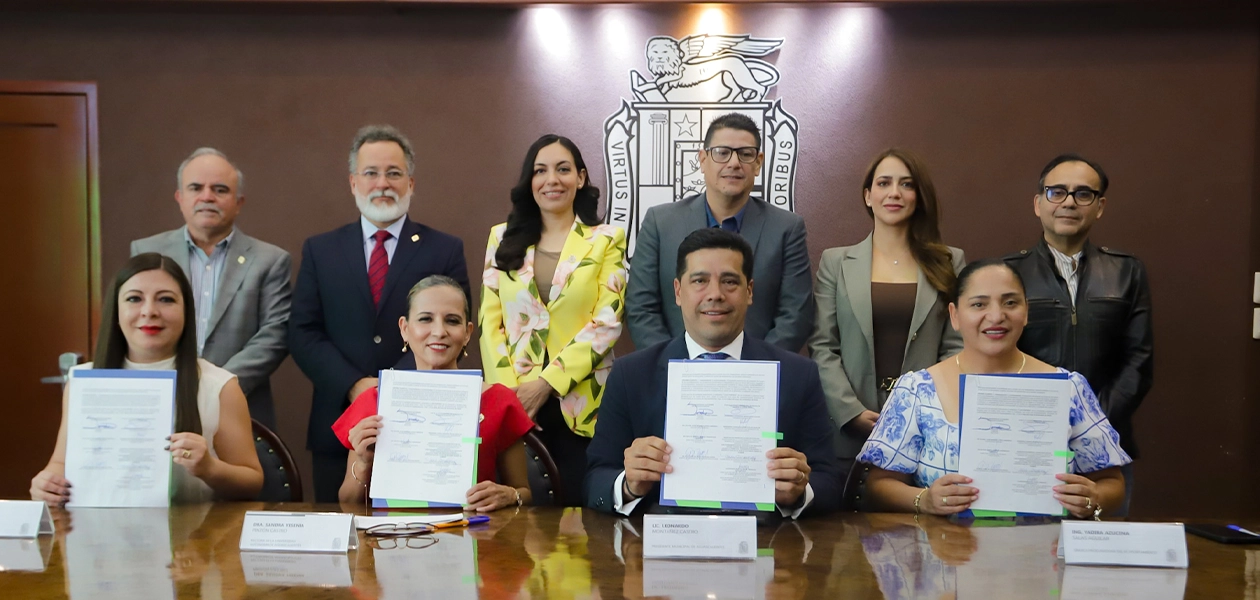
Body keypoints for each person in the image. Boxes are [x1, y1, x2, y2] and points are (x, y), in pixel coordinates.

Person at [586, 228, 841, 518]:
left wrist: (797, 492)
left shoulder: (798, 374)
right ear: (678, 292)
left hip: (767, 549)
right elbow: (595, 479)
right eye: (700, 281)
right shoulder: (631, 375)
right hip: (660, 547)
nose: (715, 294)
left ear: (750, 292)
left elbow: (829, 482)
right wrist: (629, 485)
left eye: (730, 281)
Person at [857, 259, 1130, 518]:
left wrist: (1094, 497)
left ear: (1026, 312)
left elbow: (1111, 482)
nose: (996, 316)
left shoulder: (1068, 388)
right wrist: (924, 500)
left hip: (1041, 554)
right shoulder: (917, 389)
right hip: (945, 554)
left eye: (1010, 302)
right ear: (955, 316)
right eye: (979, 305)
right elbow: (879, 484)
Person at [290, 125, 471, 502]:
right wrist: (356, 385)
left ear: (411, 182)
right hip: (337, 421)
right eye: (371, 173)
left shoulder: (444, 249)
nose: (382, 183)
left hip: (420, 426)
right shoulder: (321, 250)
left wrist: (394, 391)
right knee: (341, 544)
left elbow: (452, 332)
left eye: (394, 173)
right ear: (353, 182)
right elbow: (303, 333)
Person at [30, 253, 263, 505]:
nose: (149, 311)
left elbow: (252, 483)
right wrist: (47, 484)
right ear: (116, 311)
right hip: (98, 535)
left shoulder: (219, 386)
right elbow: (61, 463)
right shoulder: (83, 381)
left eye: (165, 299)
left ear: (186, 311)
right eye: (134, 299)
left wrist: (209, 467)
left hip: (194, 539)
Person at [479, 134, 627, 507]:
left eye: (563, 170)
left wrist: (547, 383)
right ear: (530, 181)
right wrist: (510, 396)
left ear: (581, 178)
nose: (552, 180)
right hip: (516, 406)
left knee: (581, 528)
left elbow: (607, 321)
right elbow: (489, 322)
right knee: (514, 526)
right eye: (540, 171)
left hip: (581, 404)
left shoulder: (606, 239)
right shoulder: (501, 237)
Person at [1004, 154, 1152, 516]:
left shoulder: (1126, 271)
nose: (1069, 202)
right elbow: (993, 357)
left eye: (1083, 193)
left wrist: (1092, 424)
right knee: (1020, 561)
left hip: (1106, 452)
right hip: (1025, 448)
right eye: (1057, 192)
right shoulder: (1007, 273)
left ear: (1099, 207)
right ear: (1038, 203)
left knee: (1100, 565)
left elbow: (1139, 361)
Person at [808, 149, 966, 467]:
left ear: (918, 196)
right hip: (849, 432)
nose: (894, 193)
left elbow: (956, 347)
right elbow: (823, 346)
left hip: (926, 427)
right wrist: (849, 412)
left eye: (906, 185)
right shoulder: (836, 262)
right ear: (868, 196)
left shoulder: (950, 261)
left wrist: (922, 410)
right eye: (884, 183)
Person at [333, 276, 534, 511]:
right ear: (404, 329)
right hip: (390, 540)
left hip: (476, 539)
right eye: (426, 319)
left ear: (468, 332)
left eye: (452, 321)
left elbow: (525, 492)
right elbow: (347, 503)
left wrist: (509, 495)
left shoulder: (499, 401)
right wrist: (364, 461)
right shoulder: (374, 401)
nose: (439, 331)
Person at [131, 147, 292, 429]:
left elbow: (274, 335)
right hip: (160, 405)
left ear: (239, 201)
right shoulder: (147, 251)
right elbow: (133, 322)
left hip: (241, 409)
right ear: (180, 198)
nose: (207, 197)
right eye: (196, 188)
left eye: (220, 189)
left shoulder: (270, 260)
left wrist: (215, 388)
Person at [626, 113, 814, 352]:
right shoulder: (660, 223)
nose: (734, 163)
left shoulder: (787, 228)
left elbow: (795, 315)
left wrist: (751, 371)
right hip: (674, 376)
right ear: (703, 160)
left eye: (745, 154)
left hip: (756, 378)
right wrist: (675, 365)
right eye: (722, 153)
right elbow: (641, 308)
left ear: (758, 163)